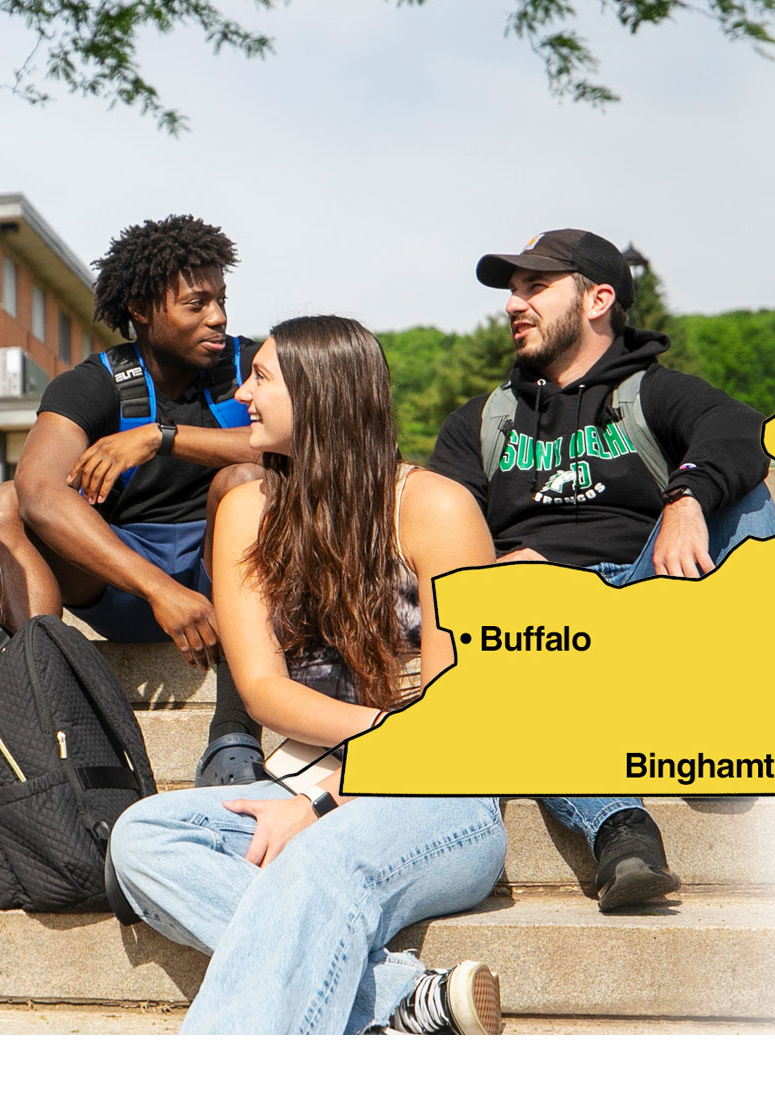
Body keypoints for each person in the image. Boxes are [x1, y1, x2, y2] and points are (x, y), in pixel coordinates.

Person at [107, 315, 509, 1035]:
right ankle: (400, 994)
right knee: (143, 836)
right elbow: (262, 690)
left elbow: (462, 720)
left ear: (322, 394)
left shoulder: (435, 507)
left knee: (316, 863)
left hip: (440, 796)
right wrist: (344, 772)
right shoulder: (247, 511)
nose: (242, 391)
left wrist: (331, 802)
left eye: (262, 377)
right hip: (300, 775)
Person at [427, 228, 775, 912]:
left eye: (535, 286)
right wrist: (503, 571)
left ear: (598, 298)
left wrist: (686, 495)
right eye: (511, 289)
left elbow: (739, 430)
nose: (512, 304)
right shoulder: (481, 423)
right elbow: (439, 546)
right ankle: (622, 830)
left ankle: (716, 719)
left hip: (653, 600)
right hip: (553, 633)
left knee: (746, 502)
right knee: (497, 644)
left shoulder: (654, 393)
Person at [0, 216, 270, 788]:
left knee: (243, 479)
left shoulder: (255, 366)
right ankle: (50, 722)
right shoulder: (94, 382)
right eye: (196, 303)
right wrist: (159, 588)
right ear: (142, 308)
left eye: (221, 299)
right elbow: (39, 492)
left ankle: (234, 736)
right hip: (123, 580)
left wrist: (159, 436)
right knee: (0, 503)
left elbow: (306, 447)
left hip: (230, 576)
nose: (217, 317)